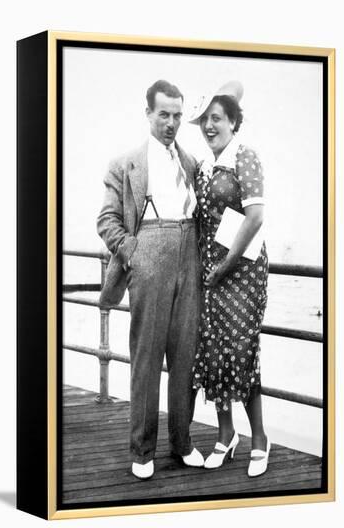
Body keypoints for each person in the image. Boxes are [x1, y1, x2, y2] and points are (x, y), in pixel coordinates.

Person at [97, 80, 204, 479]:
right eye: (164, 114)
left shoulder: (191, 163)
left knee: (185, 357)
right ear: (148, 114)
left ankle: (182, 442)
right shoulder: (124, 164)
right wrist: (134, 252)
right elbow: (106, 220)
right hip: (149, 254)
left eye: (177, 115)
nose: (172, 123)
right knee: (146, 358)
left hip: (188, 253)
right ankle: (142, 450)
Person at [189, 81, 270, 477]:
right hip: (211, 272)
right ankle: (226, 435)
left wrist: (226, 265)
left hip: (243, 272)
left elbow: (255, 218)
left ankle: (259, 439)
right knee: (213, 349)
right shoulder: (204, 166)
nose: (209, 126)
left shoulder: (245, 157)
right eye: (205, 120)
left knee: (241, 350)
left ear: (234, 122)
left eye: (216, 119)